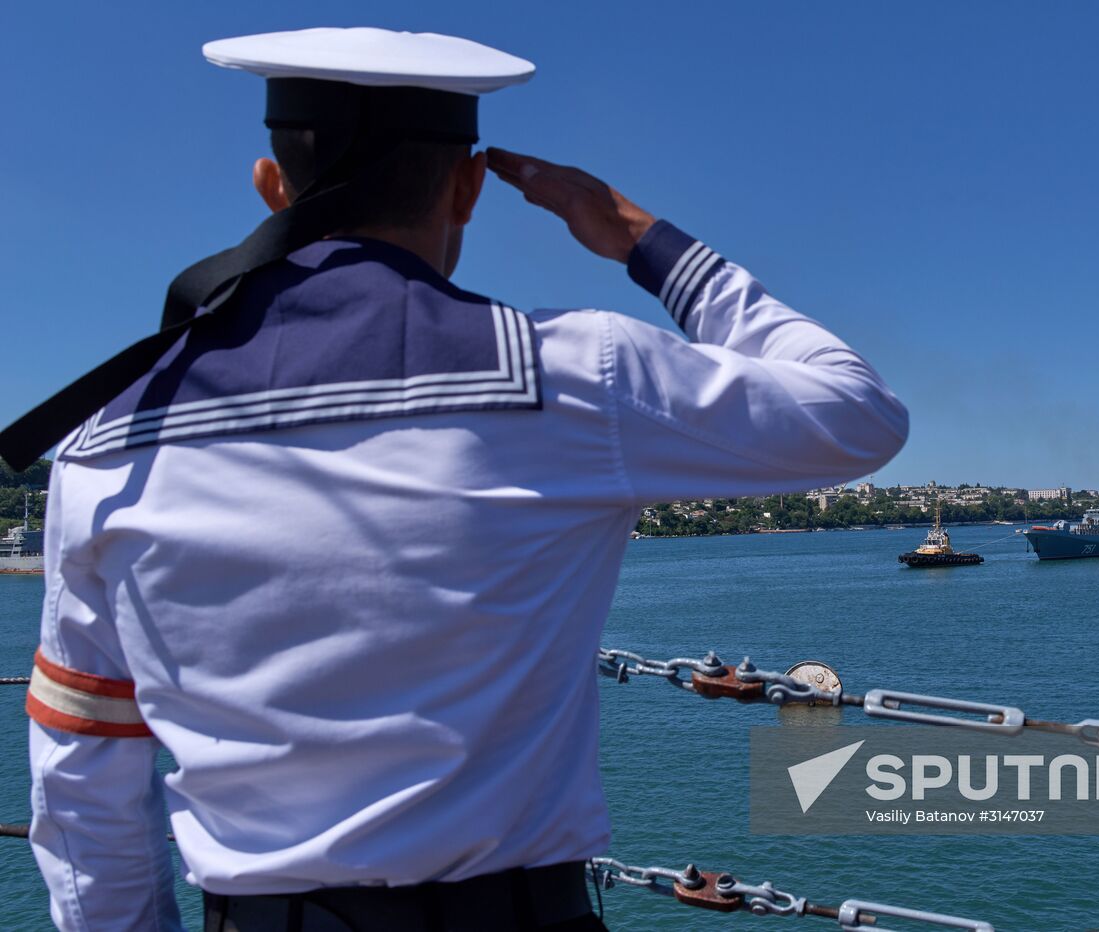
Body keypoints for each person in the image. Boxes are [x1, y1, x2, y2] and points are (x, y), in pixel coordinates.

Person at [22, 27, 908, 932]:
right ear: (468, 187)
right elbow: (860, 413)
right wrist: (647, 242)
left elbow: (83, 763)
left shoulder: (105, 439)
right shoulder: (574, 376)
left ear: (270, 184)